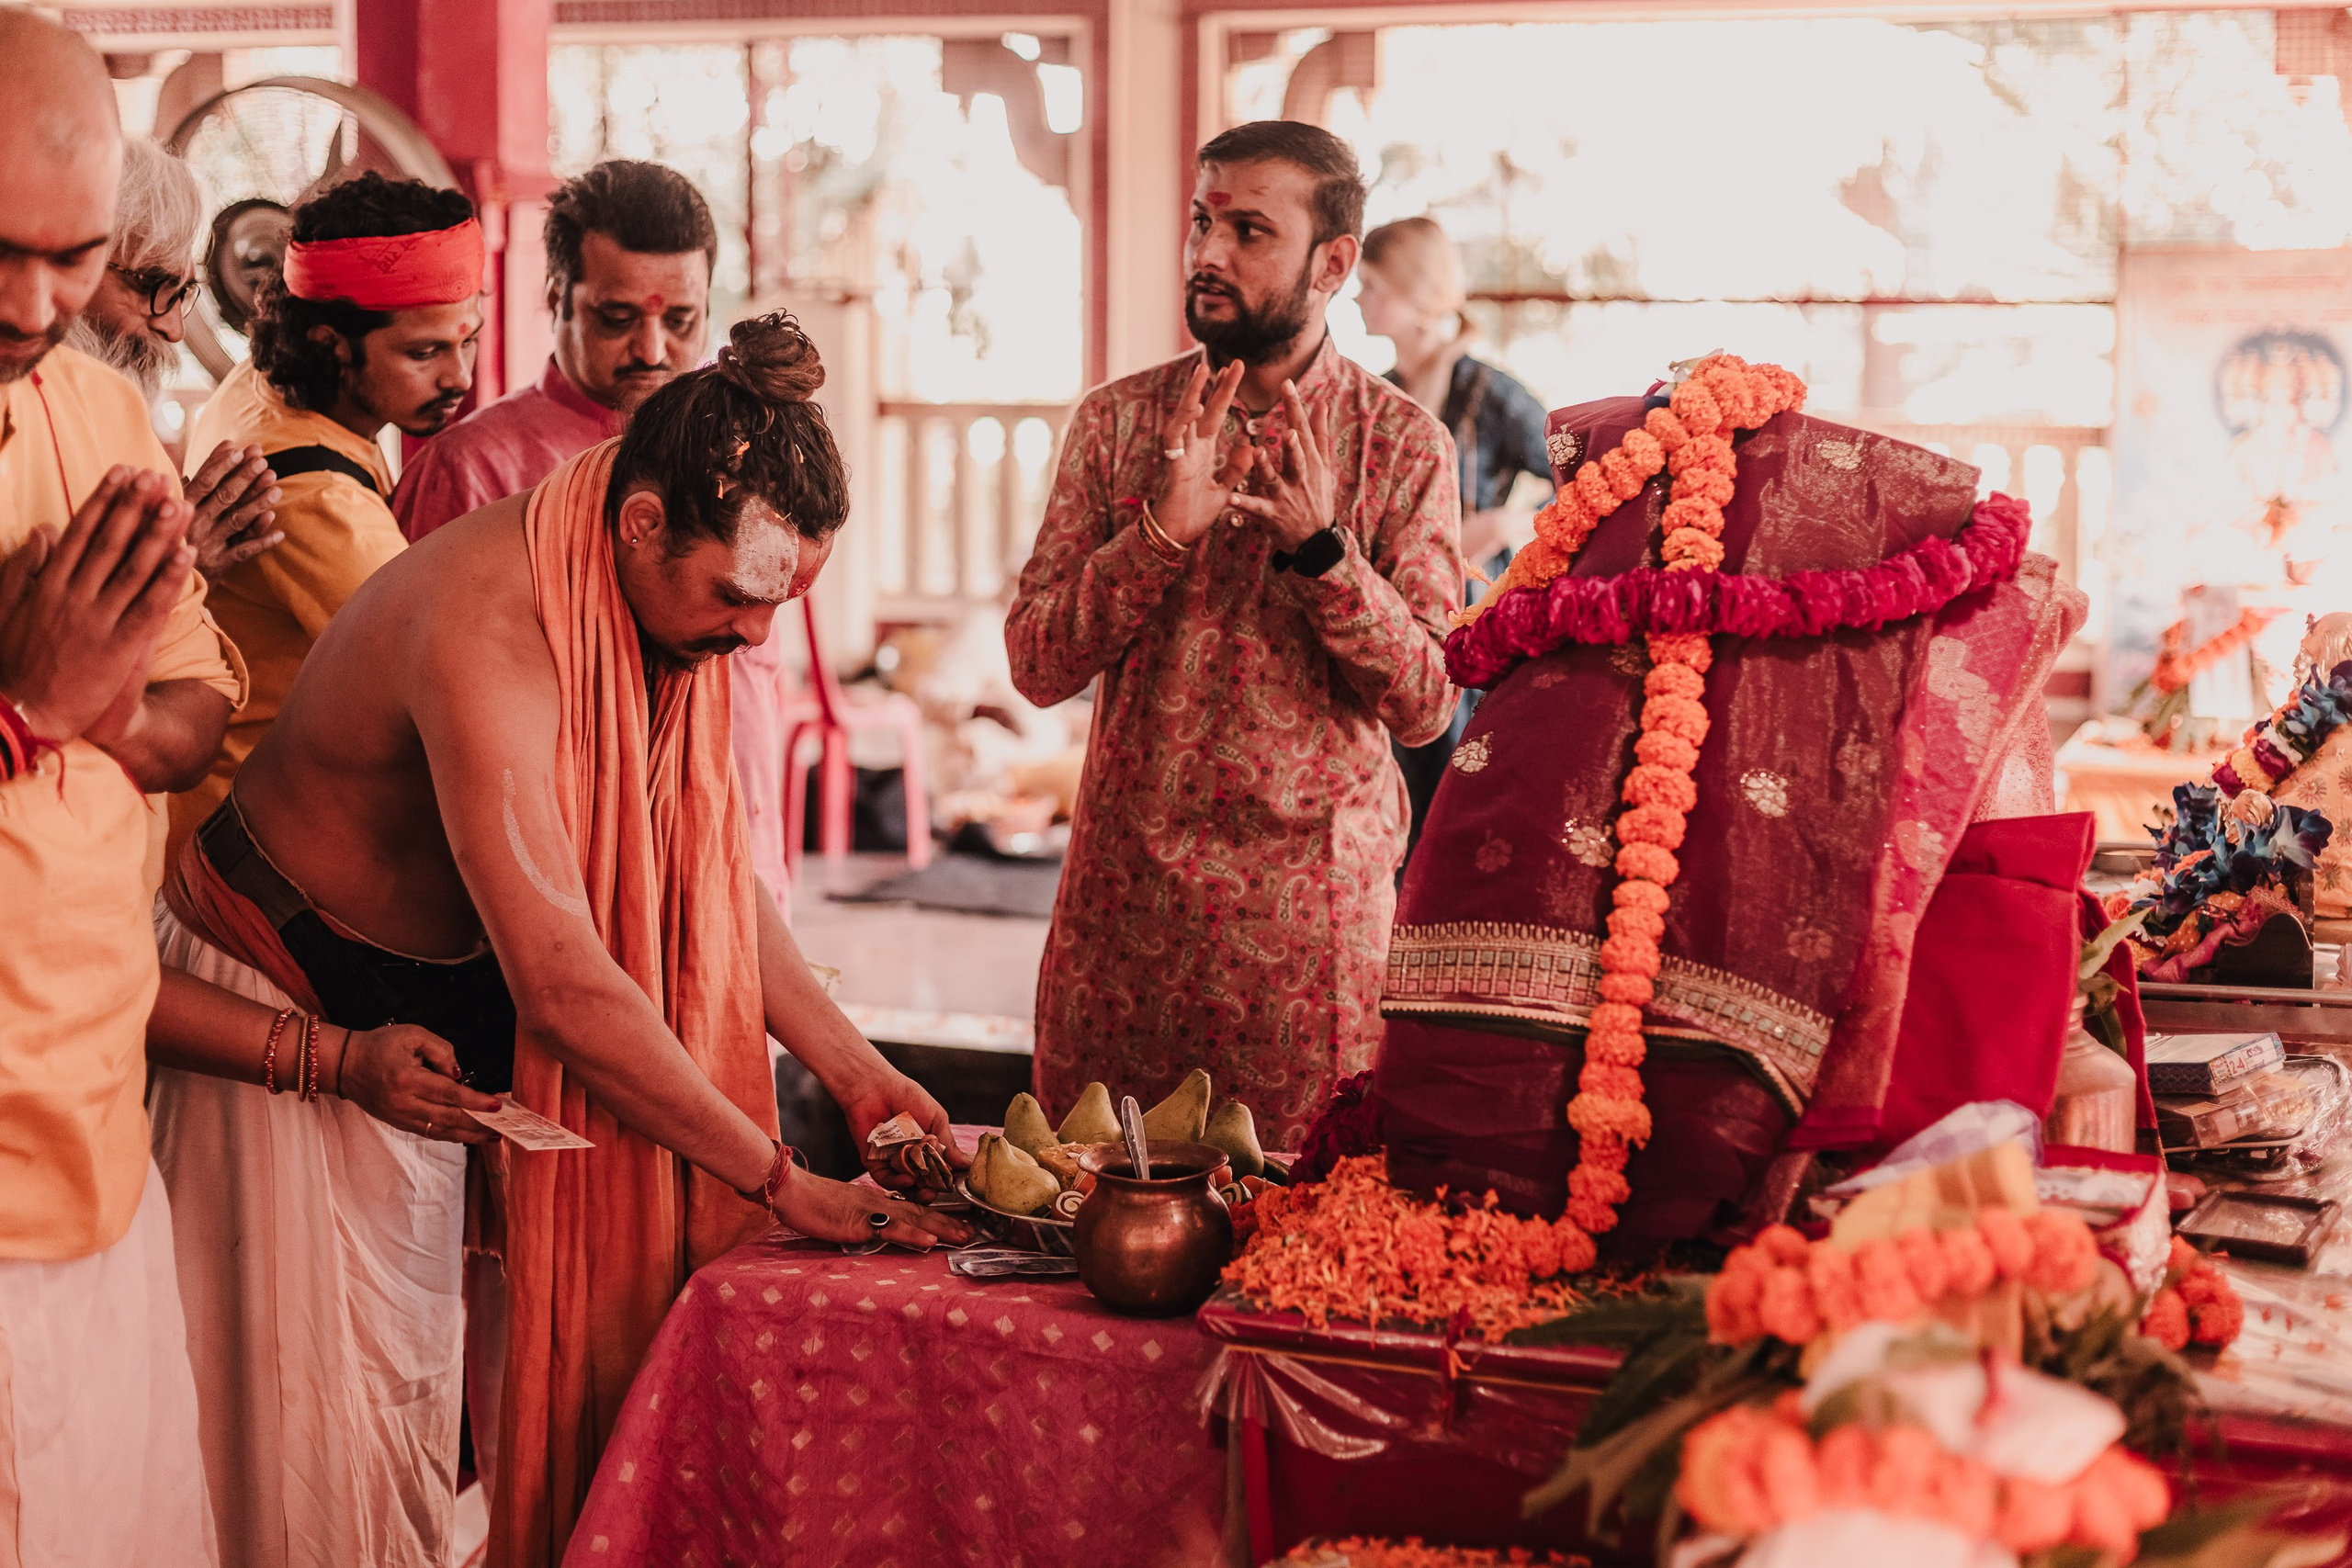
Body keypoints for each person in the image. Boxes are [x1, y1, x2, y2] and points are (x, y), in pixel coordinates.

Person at [157, 310, 968, 1568]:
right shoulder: (493, 621)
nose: (756, 637)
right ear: (643, 522)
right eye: (739, 598)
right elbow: (560, 984)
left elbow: (703, 877)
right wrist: (776, 1177)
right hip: (282, 991)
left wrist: (855, 1071)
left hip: (419, 1026)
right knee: (312, 1476)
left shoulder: (643, 605)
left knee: (406, 1434)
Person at [1005, 121, 1463, 1147]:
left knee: (1285, 1262)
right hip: (1122, 936)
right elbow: (1036, 664)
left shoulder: (1400, 446)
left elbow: (1430, 704)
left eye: (1249, 230)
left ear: (1333, 263)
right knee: (1090, 1252)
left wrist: (1323, 555)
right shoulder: (1118, 425)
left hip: (1306, 956)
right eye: (1203, 222)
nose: (1208, 254)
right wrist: (1158, 534)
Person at [0, 11, 229, 1561]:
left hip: (98, 1132)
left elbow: (198, 706)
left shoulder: (93, 411)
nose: (34, 304)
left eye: (72, 257)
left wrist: (57, 712)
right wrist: (35, 701)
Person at [387, 161, 800, 904]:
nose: (651, 350)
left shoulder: (750, 456)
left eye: (680, 321)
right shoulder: (473, 471)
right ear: (556, 299)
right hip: (569, 896)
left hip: (744, 869)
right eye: (617, 319)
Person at [168, 171, 482, 864]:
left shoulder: (261, 381)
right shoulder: (315, 496)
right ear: (332, 341)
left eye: (469, 341)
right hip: (250, 865)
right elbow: (449, 682)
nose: (459, 376)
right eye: (424, 352)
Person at [1356, 215, 1554, 856]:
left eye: (1371, 285)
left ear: (1413, 297)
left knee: (1452, 803)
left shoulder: (1490, 393)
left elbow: (1587, 475)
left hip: (1470, 628)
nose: (1357, 299)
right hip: (1388, 626)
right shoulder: (1377, 397)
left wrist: (1506, 525)